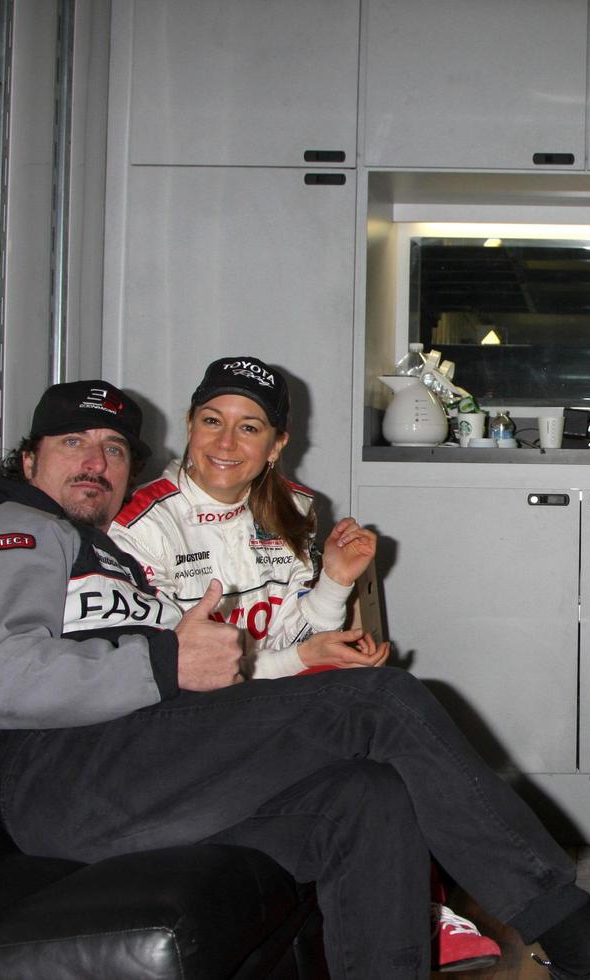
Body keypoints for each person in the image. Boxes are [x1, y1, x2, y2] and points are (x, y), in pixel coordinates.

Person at [0, 380, 590, 980]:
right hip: (69, 777)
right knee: (377, 701)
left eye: (114, 449)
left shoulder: (113, 556)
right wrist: (165, 661)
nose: (96, 461)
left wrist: (252, 653)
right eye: (73, 442)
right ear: (29, 460)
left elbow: (187, 681)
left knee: (368, 796)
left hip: (135, 772)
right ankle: (579, 936)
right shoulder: (15, 530)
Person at [107, 355, 496, 971]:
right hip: (185, 726)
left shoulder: (294, 508)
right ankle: (443, 902)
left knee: (377, 741)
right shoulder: (140, 526)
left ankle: (421, 905)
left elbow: (292, 633)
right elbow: (176, 676)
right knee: (382, 709)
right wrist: (300, 662)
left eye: (250, 426)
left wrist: (334, 589)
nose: (226, 442)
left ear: (276, 444)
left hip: (258, 706)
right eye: (212, 420)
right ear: (188, 425)